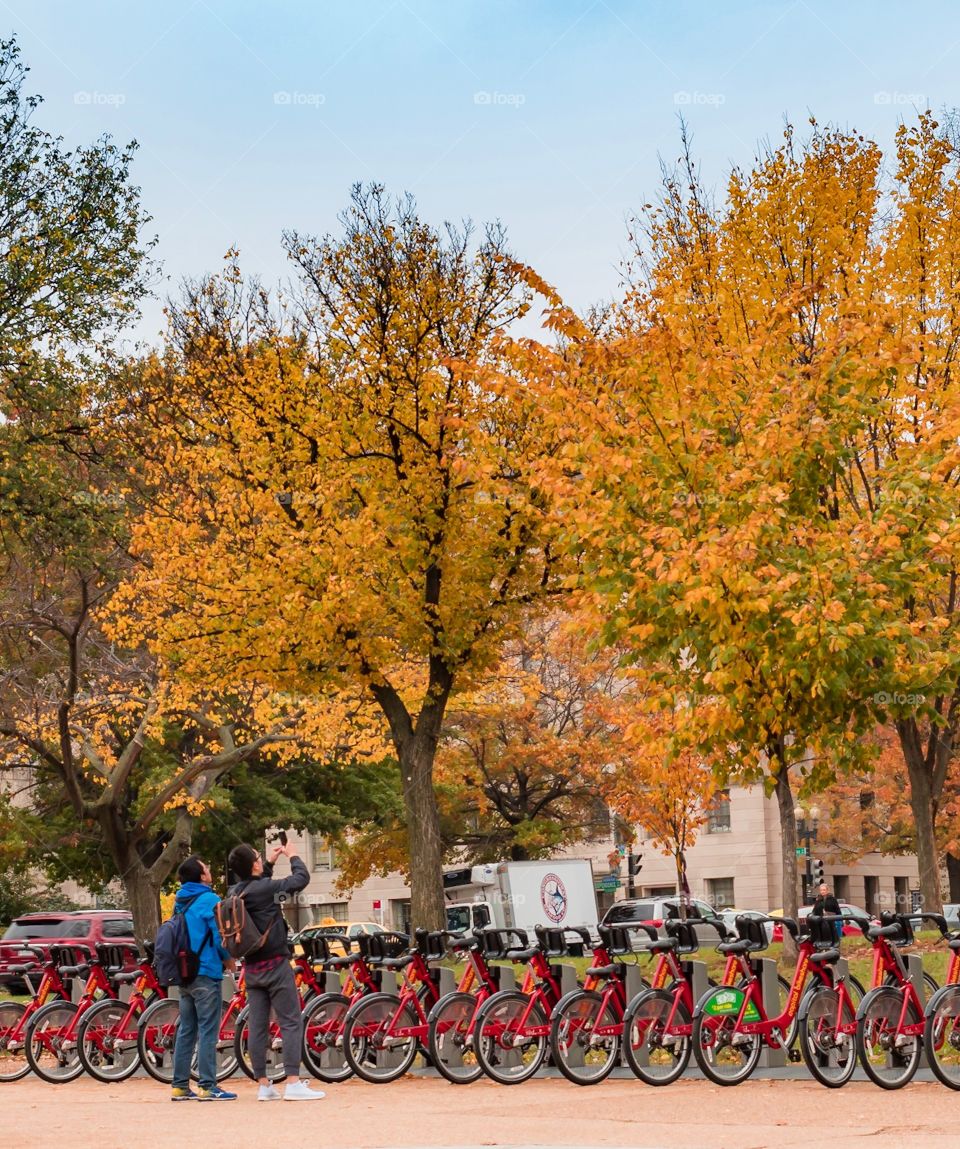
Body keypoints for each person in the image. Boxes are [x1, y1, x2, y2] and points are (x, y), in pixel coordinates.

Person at [227, 839, 324, 1101]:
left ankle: (263, 1085)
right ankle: (293, 1081)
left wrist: (269, 862)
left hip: (252, 967)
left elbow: (258, 886)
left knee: (258, 1026)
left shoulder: (234, 892)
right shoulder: (267, 890)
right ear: (254, 863)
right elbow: (300, 880)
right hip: (276, 965)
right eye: (258, 857)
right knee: (290, 1021)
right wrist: (292, 856)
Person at [171, 856, 237, 1101]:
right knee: (209, 1030)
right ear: (201, 876)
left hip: (184, 972)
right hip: (206, 971)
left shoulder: (180, 901)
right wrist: (229, 959)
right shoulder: (210, 899)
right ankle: (208, 1085)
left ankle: (179, 1085)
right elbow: (220, 934)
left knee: (187, 1029)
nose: (209, 870)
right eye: (207, 867)